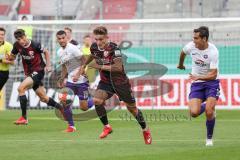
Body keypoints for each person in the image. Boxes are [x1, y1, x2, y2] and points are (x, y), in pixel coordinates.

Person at [74, 26, 152, 144]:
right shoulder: (94, 47)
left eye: (101, 39)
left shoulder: (114, 49)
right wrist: (83, 68)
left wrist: (99, 66)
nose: (99, 42)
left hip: (120, 83)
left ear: (107, 37)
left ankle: (145, 130)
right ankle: (107, 127)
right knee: (97, 100)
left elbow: (118, 68)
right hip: (105, 82)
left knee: (132, 109)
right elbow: (92, 55)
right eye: (96, 39)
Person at [7, 29, 66, 126]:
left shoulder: (34, 44)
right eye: (18, 39)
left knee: (20, 88)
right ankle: (61, 108)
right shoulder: (16, 45)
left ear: (25, 36)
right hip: (30, 73)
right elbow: (12, 57)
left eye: (22, 38)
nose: (21, 41)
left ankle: (24, 118)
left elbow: (46, 52)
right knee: (43, 98)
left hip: (39, 71)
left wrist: (48, 65)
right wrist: (9, 57)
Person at [177, 26, 219, 146]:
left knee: (209, 112)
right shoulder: (191, 46)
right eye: (193, 38)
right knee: (194, 113)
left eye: (196, 38)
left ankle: (209, 139)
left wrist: (199, 77)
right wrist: (180, 64)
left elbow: (213, 75)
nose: (194, 40)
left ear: (204, 39)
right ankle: (209, 107)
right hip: (197, 84)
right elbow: (182, 52)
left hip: (212, 83)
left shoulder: (213, 51)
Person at [56, 30, 94, 132]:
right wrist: (62, 77)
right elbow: (64, 66)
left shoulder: (73, 48)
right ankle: (71, 126)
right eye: (59, 39)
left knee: (84, 108)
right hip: (70, 82)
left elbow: (84, 61)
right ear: (57, 40)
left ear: (66, 38)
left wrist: (78, 74)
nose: (61, 40)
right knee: (65, 102)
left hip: (82, 81)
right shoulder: (59, 52)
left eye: (63, 38)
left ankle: (97, 100)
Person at [0, 27, 14, 91]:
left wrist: (1, 60)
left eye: (2, 34)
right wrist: (3, 59)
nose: (1, 36)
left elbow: (12, 62)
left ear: (4, 35)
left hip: (3, 73)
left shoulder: (8, 46)